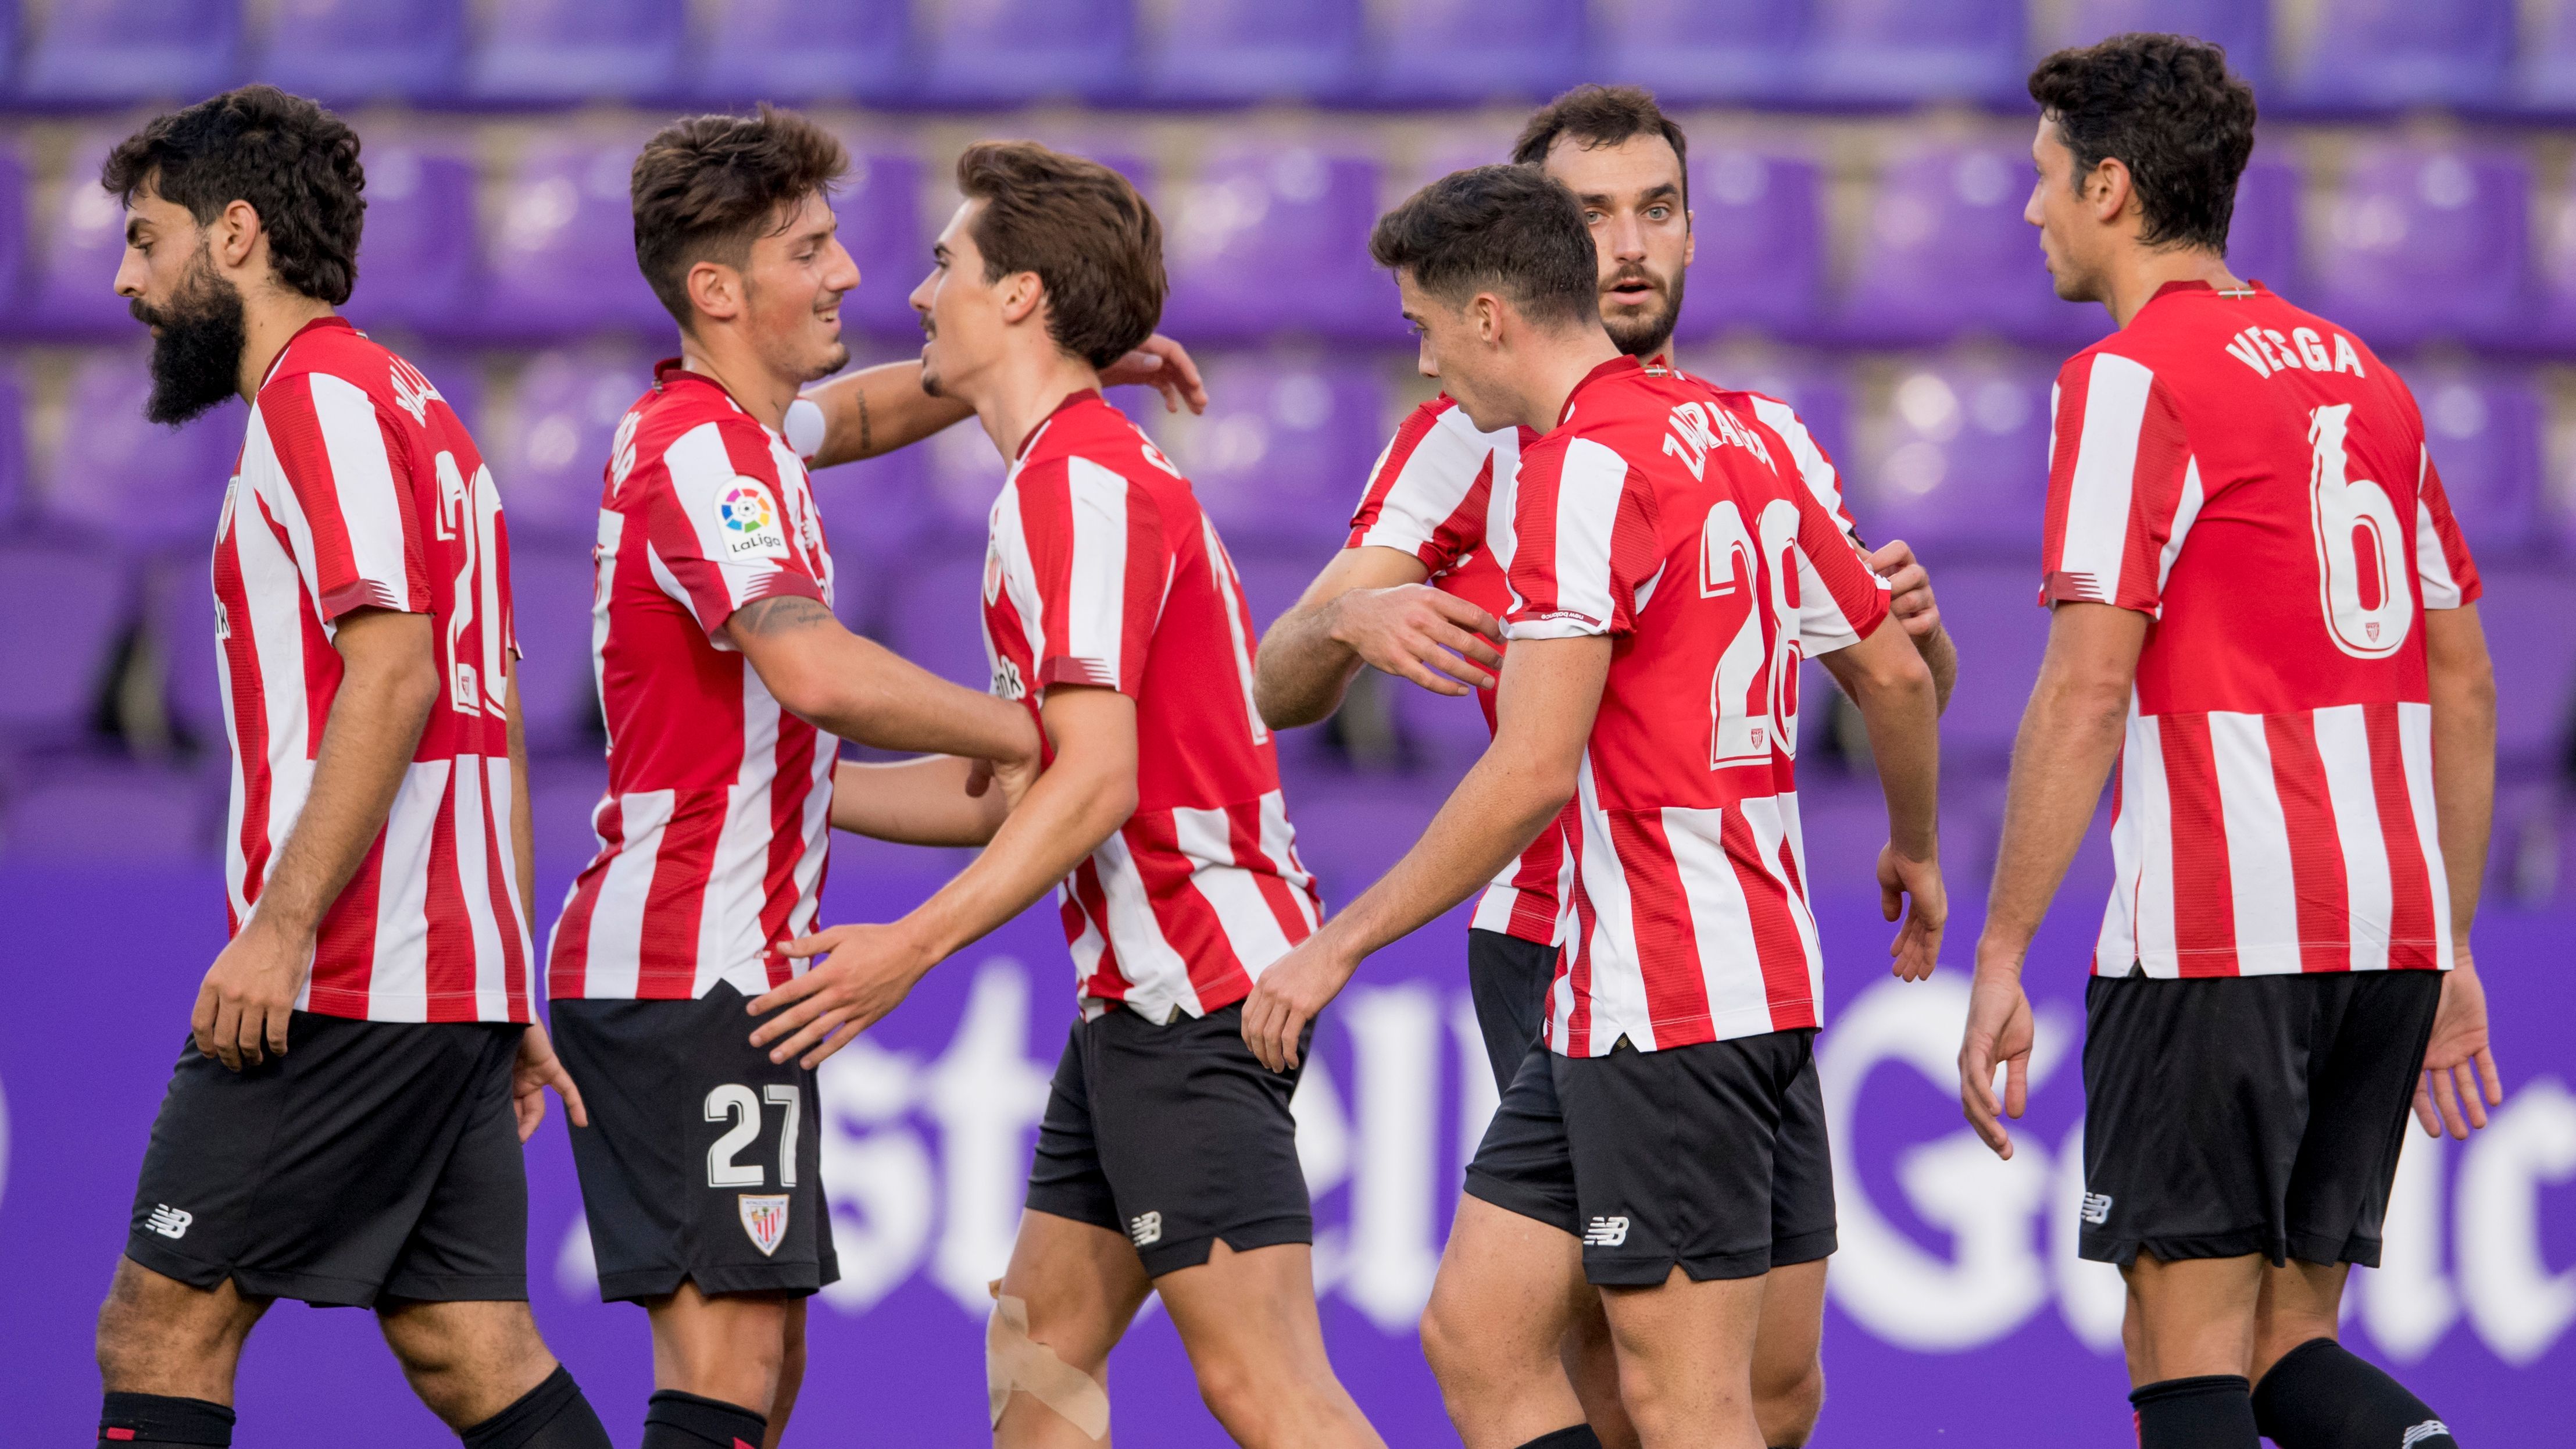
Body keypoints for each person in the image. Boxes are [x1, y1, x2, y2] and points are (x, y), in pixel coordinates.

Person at [1251, 84, 1957, 1449]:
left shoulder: (1738, 432)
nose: (1627, 245)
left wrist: (1917, 654)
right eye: (1591, 215)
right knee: (1566, 1353)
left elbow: (1894, 676)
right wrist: (1344, 621)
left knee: (1760, 1387)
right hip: (1565, 939)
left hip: (1688, 950)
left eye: (1656, 209)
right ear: (1538, 250)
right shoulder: (1474, 439)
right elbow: (1277, 682)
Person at [743, 140, 1384, 1449]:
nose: (917, 294)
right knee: (1040, 1345)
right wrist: (793, 786)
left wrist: (909, 947)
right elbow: (1019, 787)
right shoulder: (1070, 472)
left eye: (946, 265)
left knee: (1265, 1387)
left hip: (1196, 984)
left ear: (1020, 294)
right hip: (1147, 991)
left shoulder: (1076, 490)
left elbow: (1094, 782)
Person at [1954, 34, 2498, 1449]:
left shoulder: (2132, 377)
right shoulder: (2363, 377)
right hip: (2384, 924)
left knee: (2180, 1343)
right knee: (2284, 1341)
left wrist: (2002, 950)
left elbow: (2084, 688)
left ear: (2110, 189)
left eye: (2045, 178)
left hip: (2220, 925)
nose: (2031, 207)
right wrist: (2444, 936)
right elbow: (2461, 683)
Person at [92, 87, 612, 1449]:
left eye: (147, 239)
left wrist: (281, 926)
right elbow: (490, 711)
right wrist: (503, 976)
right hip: (443, 967)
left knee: (160, 1325)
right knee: (468, 1345)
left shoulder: (317, 400)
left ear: (236, 234)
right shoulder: (418, 409)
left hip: (348, 965)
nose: (127, 281)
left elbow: (398, 674)